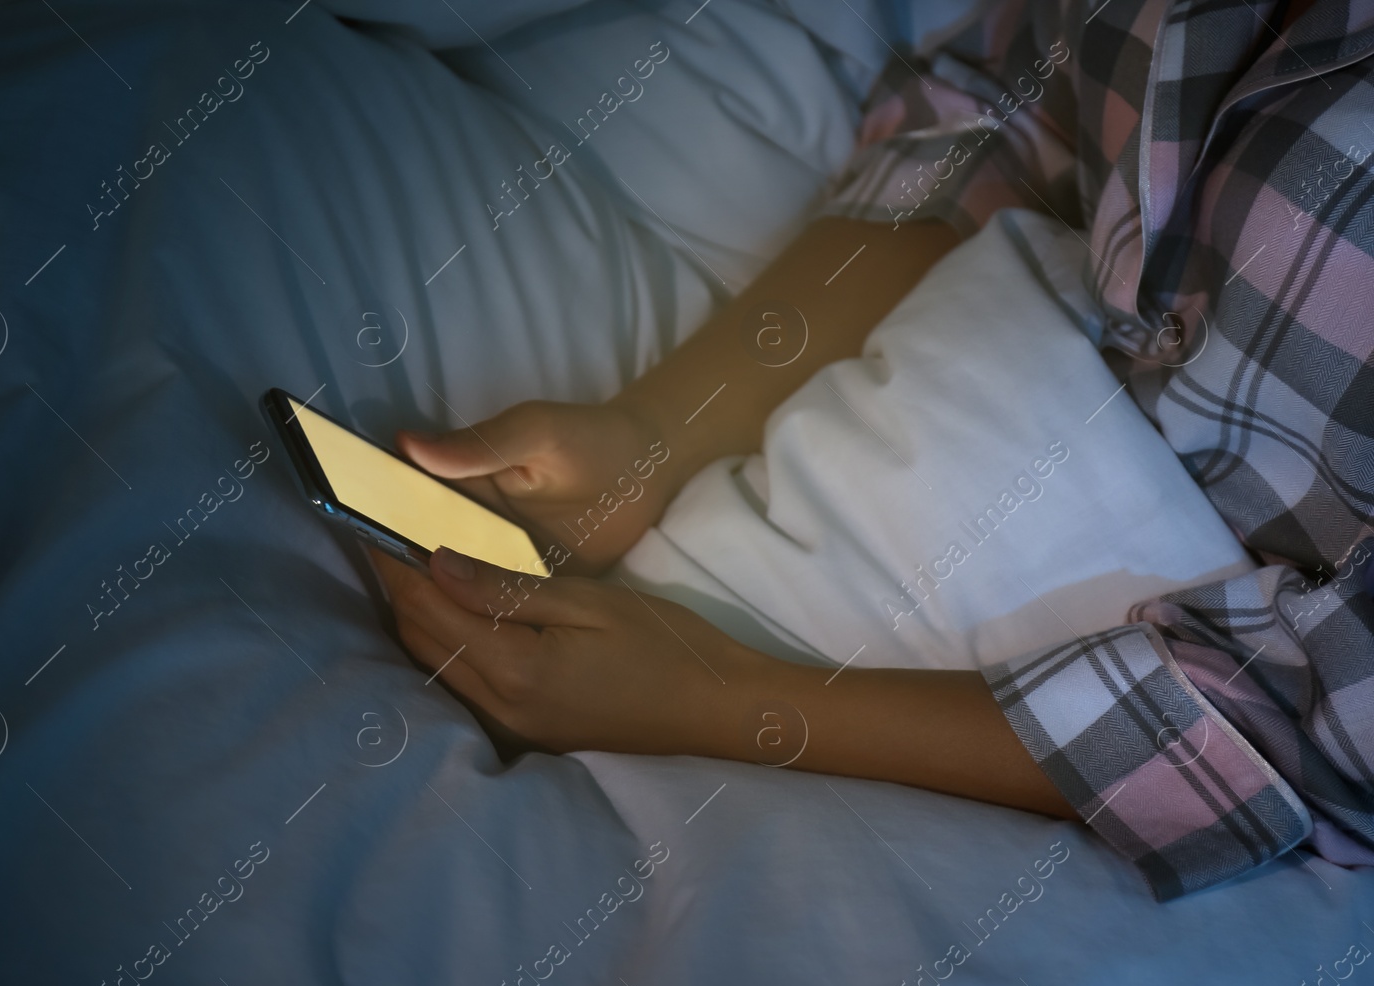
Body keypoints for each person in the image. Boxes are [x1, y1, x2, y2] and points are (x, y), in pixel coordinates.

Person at [367, 0, 1374, 901]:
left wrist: (721, 699)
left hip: (1120, 758)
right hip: (846, 484)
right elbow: (1001, 128)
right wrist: (659, 434)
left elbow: (1311, 734)